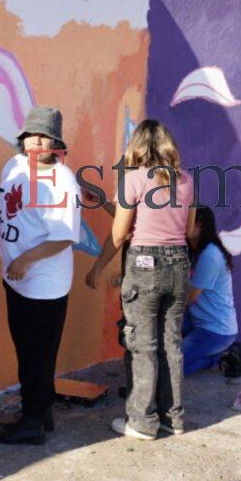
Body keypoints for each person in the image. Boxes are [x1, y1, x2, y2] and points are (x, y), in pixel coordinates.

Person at [0, 105, 80, 445]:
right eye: (30, 135)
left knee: (36, 355)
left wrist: (26, 259)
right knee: (27, 351)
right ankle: (40, 412)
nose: (35, 142)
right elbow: (8, 205)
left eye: (44, 136)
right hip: (15, 279)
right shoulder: (14, 166)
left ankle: (33, 423)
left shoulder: (62, 182)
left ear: (55, 142)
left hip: (44, 285)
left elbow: (66, 234)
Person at [86, 119, 195, 440]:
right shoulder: (186, 180)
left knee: (142, 345)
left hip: (144, 265)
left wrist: (97, 268)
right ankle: (172, 418)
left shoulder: (132, 179)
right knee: (170, 344)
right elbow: (187, 232)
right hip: (178, 263)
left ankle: (142, 422)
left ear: (136, 146)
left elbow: (120, 234)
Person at [183, 205, 241, 376]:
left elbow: (191, 296)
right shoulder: (194, 251)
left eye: (186, 221)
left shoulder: (210, 255)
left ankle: (220, 356)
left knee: (172, 366)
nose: (181, 225)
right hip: (197, 320)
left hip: (215, 330)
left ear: (200, 225)